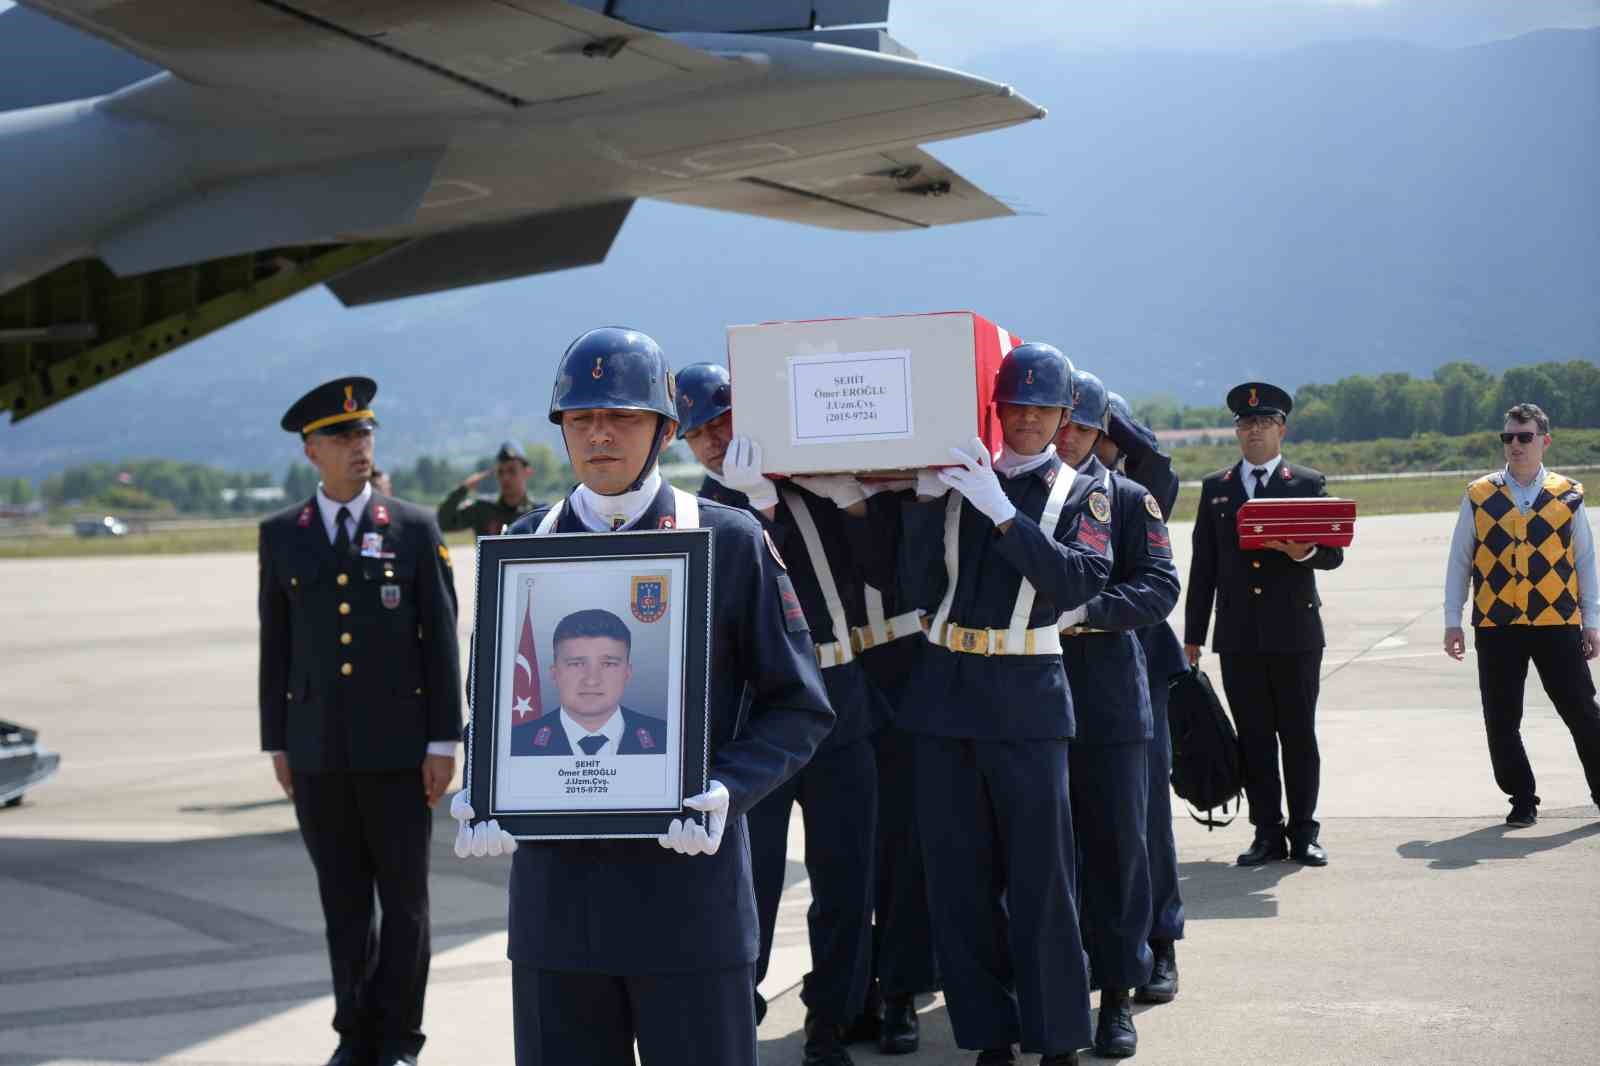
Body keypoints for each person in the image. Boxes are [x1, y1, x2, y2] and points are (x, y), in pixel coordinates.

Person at [449, 328, 835, 1066]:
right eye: (582, 418)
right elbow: (496, 701)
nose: (599, 435)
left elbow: (800, 705)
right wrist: (485, 786)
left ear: (662, 430)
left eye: (622, 417)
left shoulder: (728, 539)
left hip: (689, 903)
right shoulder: (526, 548)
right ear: (560, 430)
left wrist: (729, 787)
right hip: (559, 914)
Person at [898, 341, 1113, 1066]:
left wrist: (1001, 515)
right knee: (959, 882)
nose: (1026, 420)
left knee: (1042, 880)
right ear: (997, 409)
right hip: (947, 697)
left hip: (1026, 696)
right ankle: (988, 1033)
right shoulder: (962, 483)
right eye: (1015, 406)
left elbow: (1078, 581)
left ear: (1063, 416)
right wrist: (929, 503)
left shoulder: (1086, 492)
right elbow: (912, 585)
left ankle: (1057, 1037)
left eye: (1041, 409)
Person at [675, 361, 882, 1066]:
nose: (711, 441)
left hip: (841, 695)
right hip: (757, 716)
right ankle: (742, 1006)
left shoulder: (808, 482)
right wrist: (756, 507)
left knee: (845, 875)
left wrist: (849, 499)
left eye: (722, 422)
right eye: (697, 431)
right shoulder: (702, 511)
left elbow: (878, 564)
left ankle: (832, 1020)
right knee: (750, 881)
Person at [258, 376, 462, 1066]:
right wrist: (277, 743)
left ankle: (400, 1038)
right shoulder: (283, 535)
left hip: (401, 752)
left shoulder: (410, 527)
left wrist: (444, 739)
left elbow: (441, 638)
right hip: (316, 753)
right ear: (311, 451)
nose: (358, 447)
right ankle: (355, 1033)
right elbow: (275, 648)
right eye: (342, 437)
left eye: (365, 433)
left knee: (404, 907)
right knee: (343, 907)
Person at [1052, 370, 1181, 1059]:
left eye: (1080, 426)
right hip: (1034, 701)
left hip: (1107, 699)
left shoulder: (1128, 499)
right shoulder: (1019, 500)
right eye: (1057, 422)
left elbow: (1159, 586)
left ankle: (1117, 999)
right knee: (1050, 861)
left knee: (1119, 852)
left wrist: (1090, 611)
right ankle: (1059, 999)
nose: (1066, 437)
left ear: (1103, 435)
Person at [1183, 381, 1344, 868]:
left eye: (1264, 423)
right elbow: (1203, 567)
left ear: (1282, 430)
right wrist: (1193, 636)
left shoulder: (1306, 483)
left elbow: (1334, 552)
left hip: (1295, 635)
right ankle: (1266, 833)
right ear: (1237, 431)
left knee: (1297, 734)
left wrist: (1306, 553)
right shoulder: (1217, 489)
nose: (1254, 430)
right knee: (1253, 736)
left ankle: (1304, 832)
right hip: (1238, 637)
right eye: (1246, 423)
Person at [1443, 402, 1600, 826]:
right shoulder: (1479, 495)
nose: (1515, 444)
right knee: (1501, 717)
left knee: (1582, 711)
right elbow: (1460, 560)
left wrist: (1593, 621)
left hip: (1557, 620)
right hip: (1497, 623)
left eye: (1524, 437)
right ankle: (1522, 797)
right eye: (1508, 437)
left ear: (1544, 441)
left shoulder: (1568, 494)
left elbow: (1585, 560)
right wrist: (1451, 620)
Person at [1093, 390, 1186, 1006]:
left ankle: (1162, 942)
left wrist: (1106, 417)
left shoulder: (1132, 488)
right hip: (1066, 670)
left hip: (1137, 667)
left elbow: (1156, 462)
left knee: (1144, 813)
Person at [509, 608, 669, 757]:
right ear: (555, 673)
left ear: (627, 673)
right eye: (576, 664)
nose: (591, 680)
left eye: (608, 664)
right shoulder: (514, 743)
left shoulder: (667, 738)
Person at [437, 440, 538, 535]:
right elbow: (443, 523)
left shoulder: (538, 513)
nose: (505, 477)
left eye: (512, 471)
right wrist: (462, 490)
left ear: (527, 472)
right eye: (500, 472)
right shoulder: (483, 509)